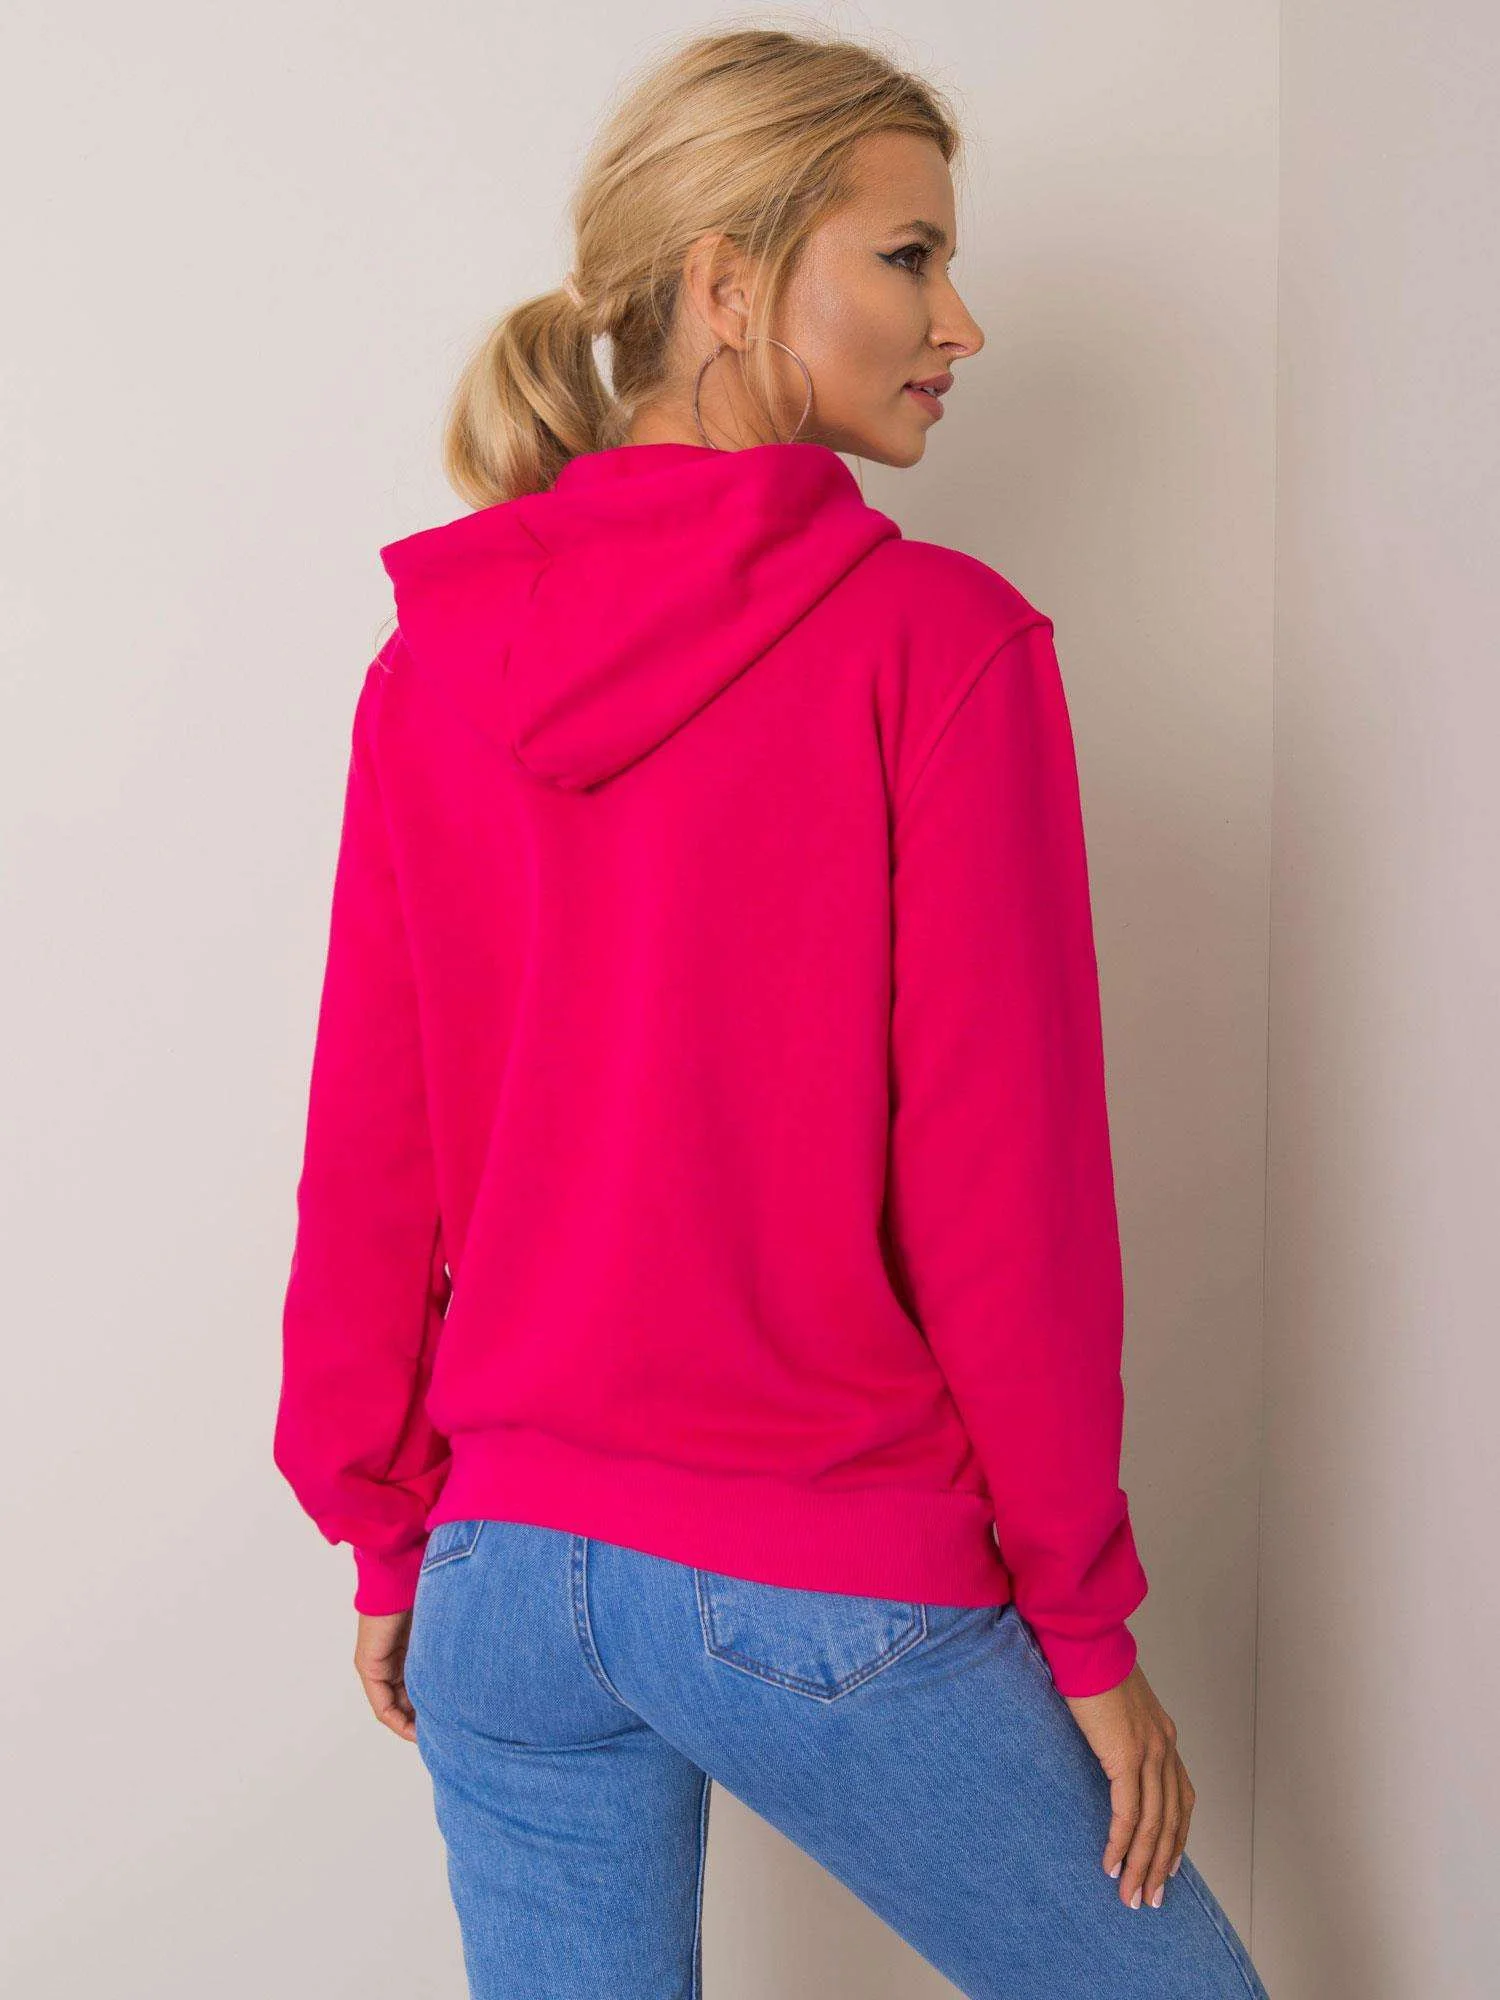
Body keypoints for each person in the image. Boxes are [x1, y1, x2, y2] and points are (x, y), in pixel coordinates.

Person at [273, 25, 1271, 2000]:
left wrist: (394, 1538)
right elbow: (1002, 1191)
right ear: (728, 285)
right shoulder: (939, 646)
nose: (960, 321)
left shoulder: (433, 667)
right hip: (813, 1565)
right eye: (908, 256)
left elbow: (369, 1151)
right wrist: (1083, 1625)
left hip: (499, 1583)